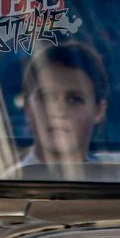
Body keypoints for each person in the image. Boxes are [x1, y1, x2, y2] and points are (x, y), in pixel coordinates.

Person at [17, 41, 108, 171]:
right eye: (46, 98)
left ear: (99, 110)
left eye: (74, 99)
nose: (57, 111)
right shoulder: (1, 184)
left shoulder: (116, 181)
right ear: (28, 107)